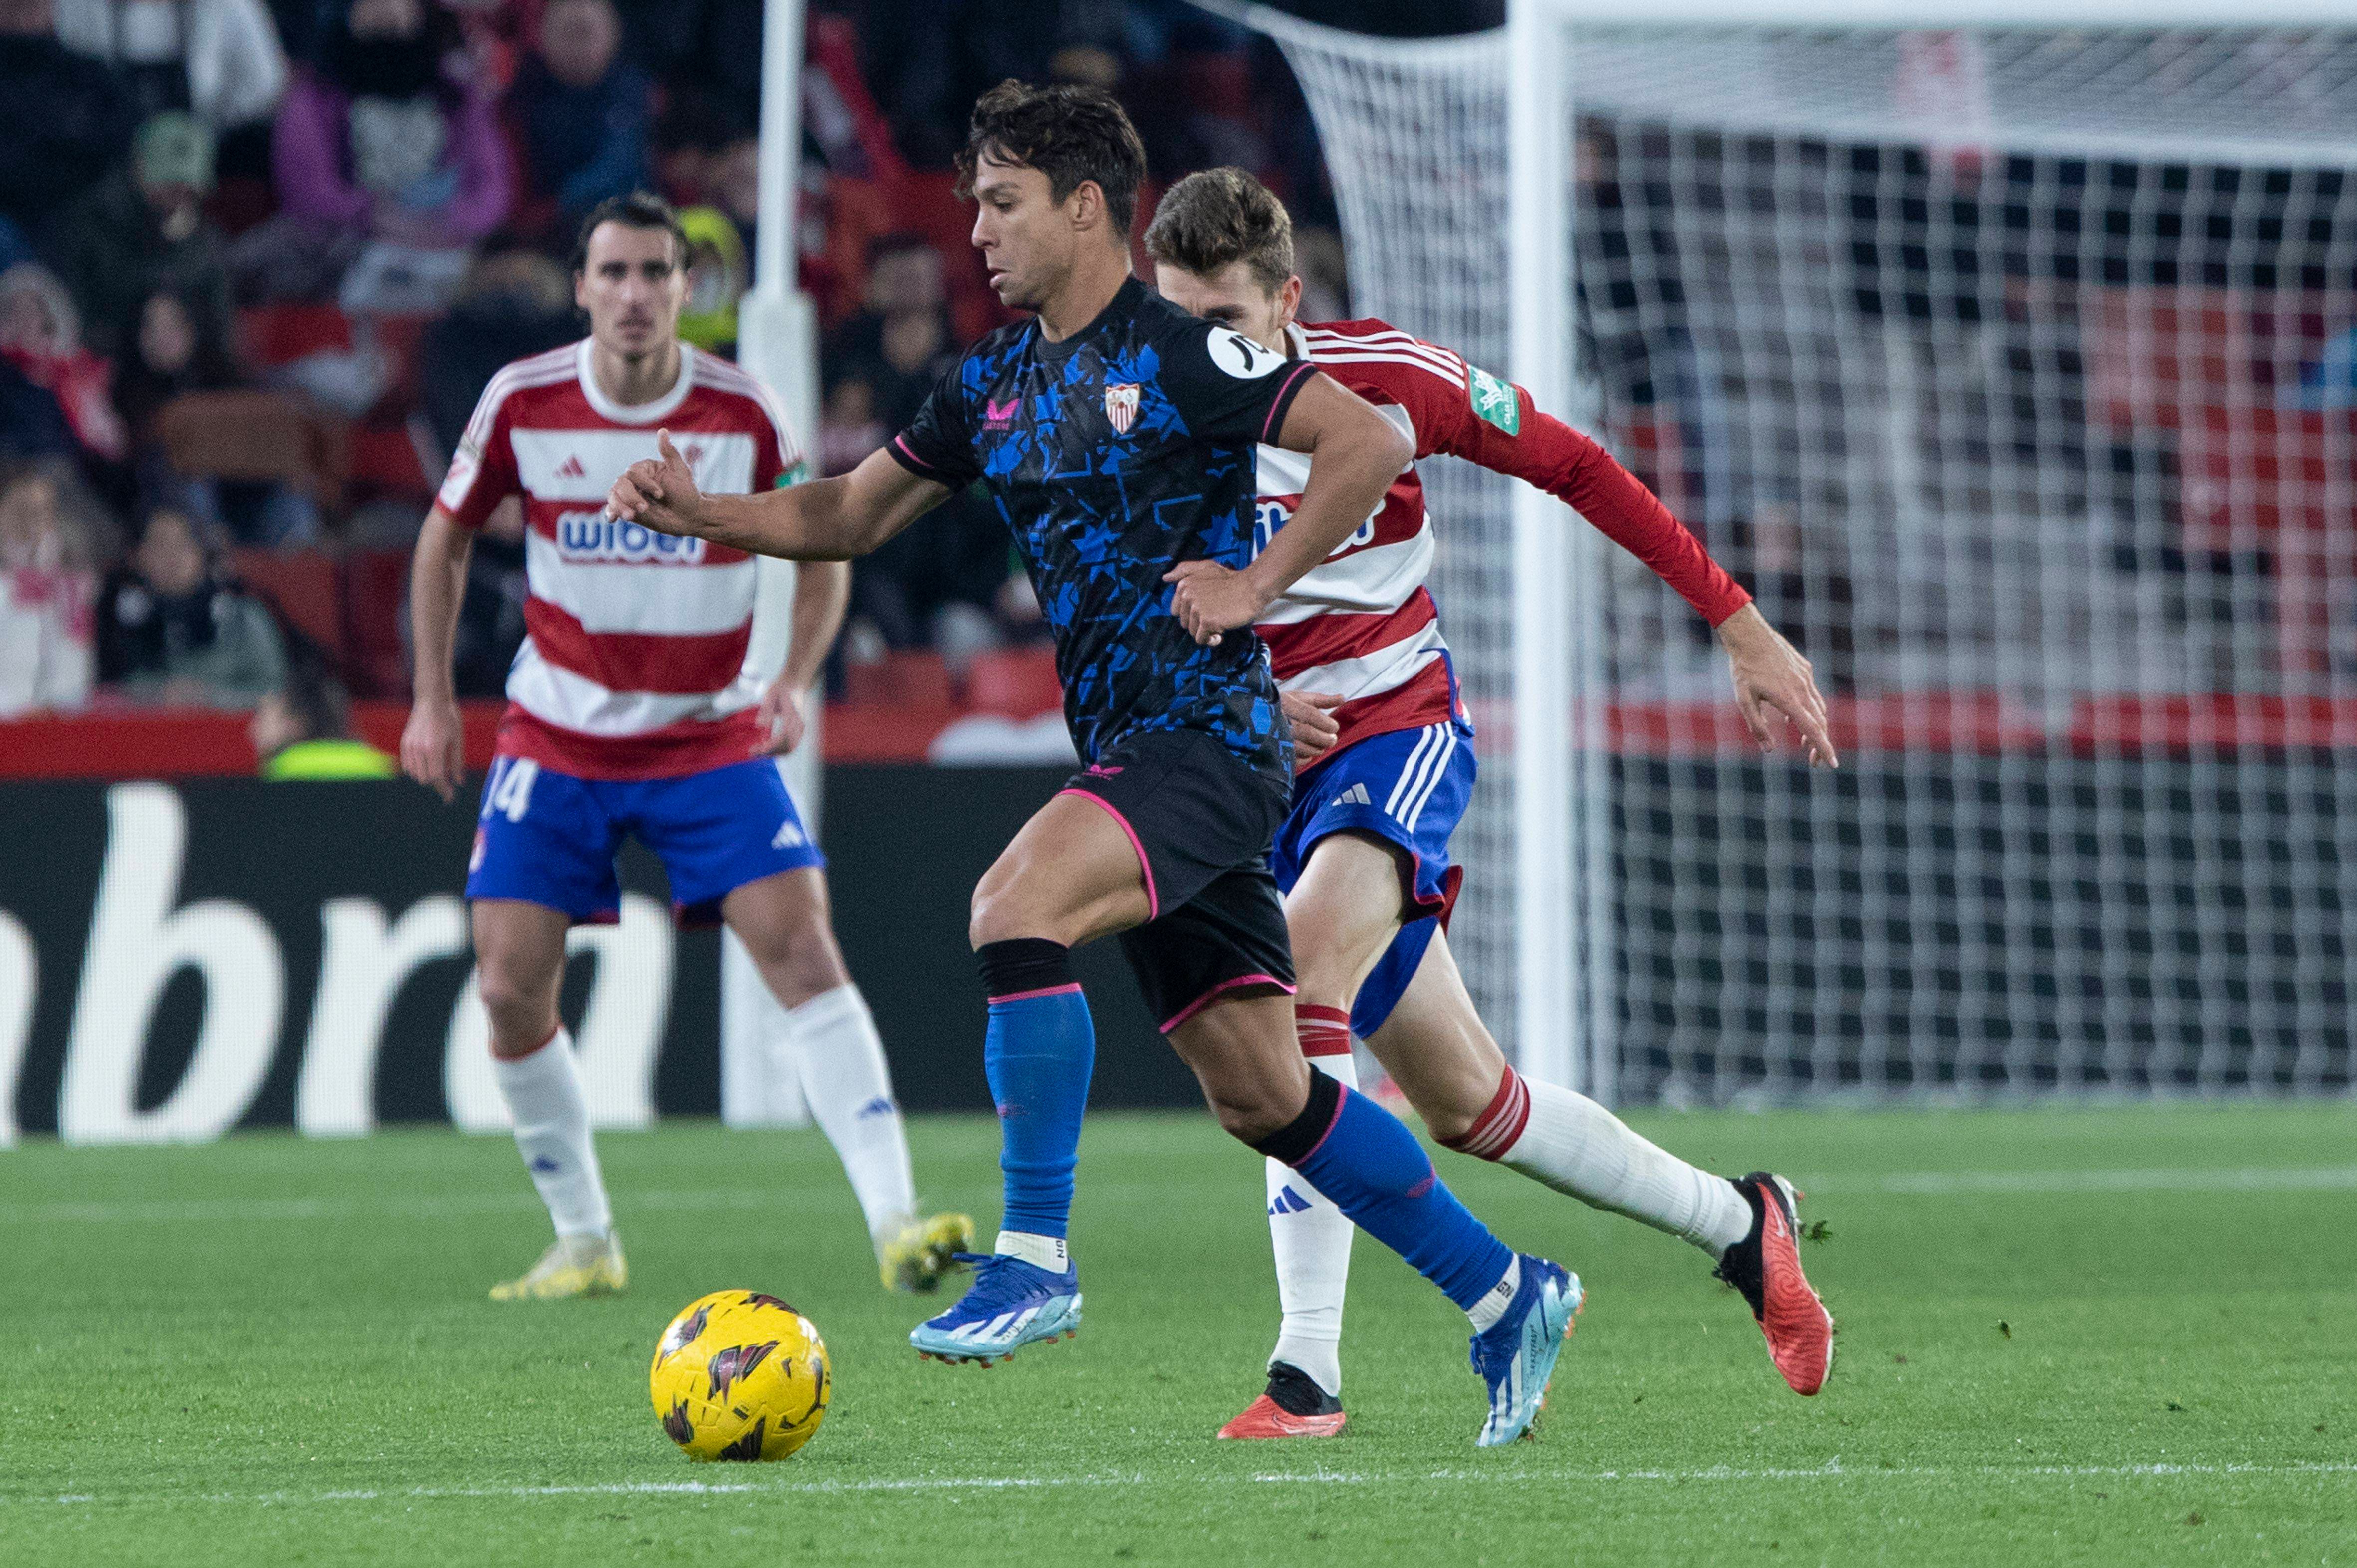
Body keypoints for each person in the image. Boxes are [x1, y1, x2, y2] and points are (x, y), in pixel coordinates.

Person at [609, 82, 1578, 1447]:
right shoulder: (991, 383)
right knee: (1266, 1094)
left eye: (1002, 203)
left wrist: (1254, 585)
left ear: (1082, 209)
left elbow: (1362, 439)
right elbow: (846, 513)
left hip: (1211, 742)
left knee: (1012, 903)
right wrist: (701, 511)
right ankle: (1507, 1291)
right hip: (1136, 748)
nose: (977, 231)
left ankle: (1035, 1256)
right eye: (973, 203)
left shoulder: (1185, 354)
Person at [1143, 167, 1841, 1437]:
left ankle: (1305, 1373)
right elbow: (1126, 615)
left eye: (1222, 322)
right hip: (1256, 766)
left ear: (1287, 302)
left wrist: (1735, 620)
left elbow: (1573, 462)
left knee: (1291, 987)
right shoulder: (1140, 415)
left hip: (1391, 733)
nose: (1197, 353)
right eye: (1173, 319)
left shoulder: (1388, 380)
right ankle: (1741, 1223)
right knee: (1471, 1101)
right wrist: (1239, 698)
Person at [402, 192, 969, 1303]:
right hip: (558, 734)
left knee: (803, 953)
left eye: (654, 273)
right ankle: (584, 1239)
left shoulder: (741, 410)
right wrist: (430, 699)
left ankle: (896, 1221)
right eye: (612, 273)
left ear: (684, 288)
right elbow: (443, 537)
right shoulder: (522, 398)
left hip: (706, 736)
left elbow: (824, 539)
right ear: (580, 288)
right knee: (508, 985)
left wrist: (790, 679)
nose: (633, 294)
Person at [44, 111, 236, 366]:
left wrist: (186, 332)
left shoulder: (204, 241)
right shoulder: (90, 225)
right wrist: (138, 332)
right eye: (170, 182)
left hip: (188, 377)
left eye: (190, 186)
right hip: (105, 370)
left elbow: (220, 329)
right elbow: (73, 319)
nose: (180, 195)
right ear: (138, 169)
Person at [96, 499, 286, 705]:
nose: (172, 556)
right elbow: (104, 689)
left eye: (183, 543)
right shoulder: (115, 617)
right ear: (137, 556)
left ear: (202, 553)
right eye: (160, 545)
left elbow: (277, 689)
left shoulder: (243, 614)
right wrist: (157, 694)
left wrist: (211, 697)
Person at [507, 0, 651, 240]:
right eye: (567, 33)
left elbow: (619, 165)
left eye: (585, 33)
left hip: (624, 221)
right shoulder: (525, 93)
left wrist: (561, 201)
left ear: (613, 35)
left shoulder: (629, 89)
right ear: (543, 38)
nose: (577, 47)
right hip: (543, 233)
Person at [0, 461, 95, 715]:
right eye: (21, 512)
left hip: (52, 723)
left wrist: (53, 707)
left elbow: (76, 670)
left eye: (41, 512)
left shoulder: (71, 587)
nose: (30, 524)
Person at [252, 647, 397, 778]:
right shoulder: (382, 766)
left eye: (262, 716)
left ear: (296, 722)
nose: (252, 729)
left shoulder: (281, 770)